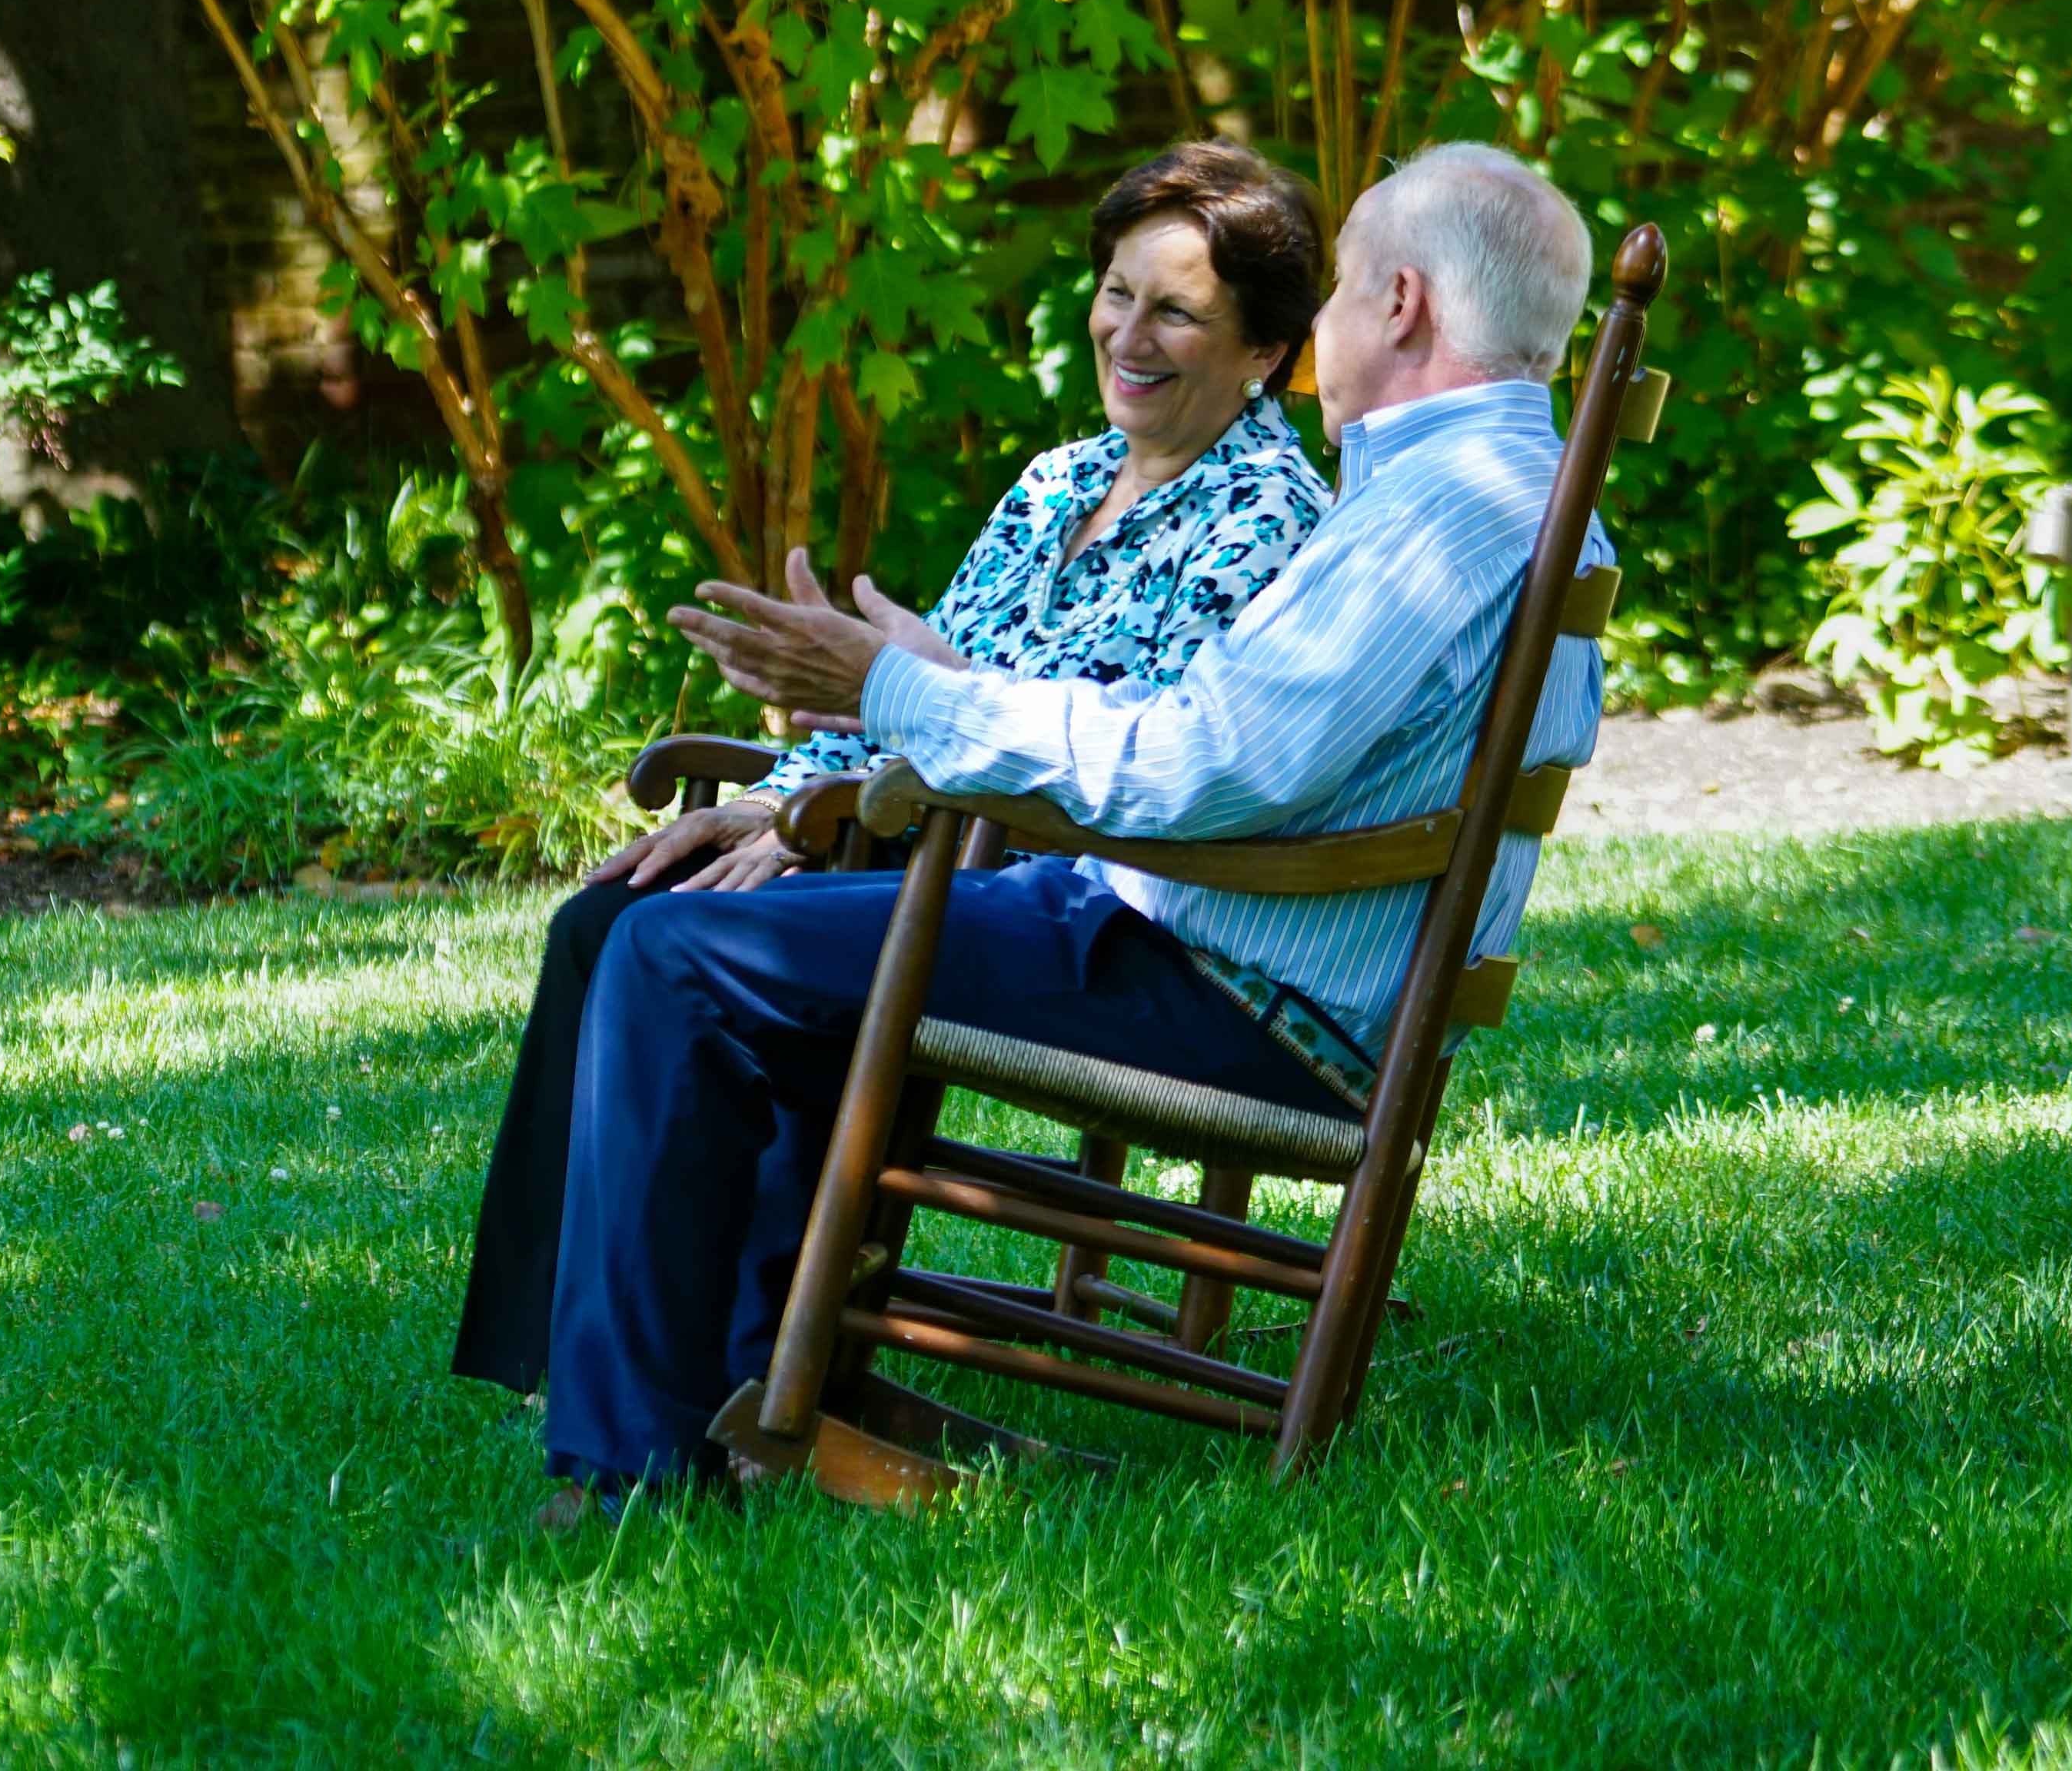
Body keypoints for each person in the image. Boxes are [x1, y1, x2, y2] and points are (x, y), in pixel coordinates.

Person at [511, 141, 1615, 1523]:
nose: (1322, 321)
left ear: (1399, 304)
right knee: (721, 944)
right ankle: (737, 1381)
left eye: (1334, 287)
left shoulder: (1436, 518)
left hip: (1225, 979)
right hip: (1242, 952)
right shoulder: (1509, 497)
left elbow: (1204, 764)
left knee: (683, 954)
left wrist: (897, 687)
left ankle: (623, 1474)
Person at [451, 141, 1335, 1401]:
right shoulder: (1058, 482)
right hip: (918, 831)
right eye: (1117, 292)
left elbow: (1137, 756)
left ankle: (721, 1374)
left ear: (1262, 354)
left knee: (715, 950)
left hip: (1048, 889)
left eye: (1178, 310)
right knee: (607, 917)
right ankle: (577, 1356)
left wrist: (852, 789)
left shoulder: (1268, 519)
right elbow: (925, 682)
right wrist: (781, 793)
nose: (1128, 333)